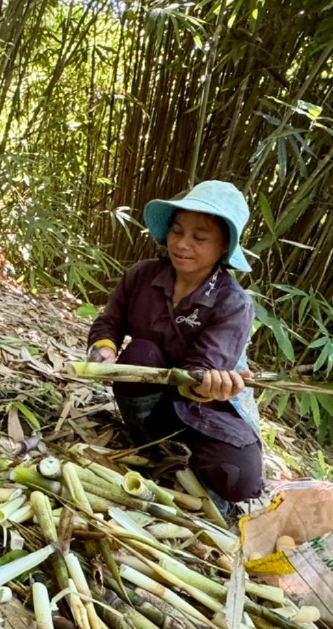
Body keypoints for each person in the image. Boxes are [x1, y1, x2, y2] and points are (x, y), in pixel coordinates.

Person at [86, 180, 264, 508]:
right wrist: (104, 351)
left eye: (199, 237)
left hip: (207, 407)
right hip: (152, 402)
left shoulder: (234, 304)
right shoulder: (142, 275)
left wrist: (208, 387)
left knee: (241, 480)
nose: (182, 244)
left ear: (224, 245)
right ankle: (145, 441)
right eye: (177, 231)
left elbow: (202, 371)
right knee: (140, 353)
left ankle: (188, 460)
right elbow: (108, 322)